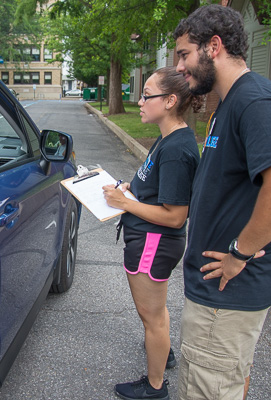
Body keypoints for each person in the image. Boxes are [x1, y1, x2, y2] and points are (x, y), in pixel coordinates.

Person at [172, 5, 271, 399]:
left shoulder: (255, 100)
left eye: (184, 54)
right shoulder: (227, 103)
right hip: (217, 296)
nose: (179, 67)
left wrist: (239, 252)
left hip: (227, 294)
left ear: (213, 47)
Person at [102, 66, 202, 400]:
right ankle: (164, 352)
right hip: (150, 240)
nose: (140, 101)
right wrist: (135, 190)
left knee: (152, 317)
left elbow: (175, 216)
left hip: (153, 244)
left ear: (171, 100)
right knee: (156, 312)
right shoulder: (169, 137)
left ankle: (155, 387)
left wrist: (125, 204)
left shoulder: (176, 149)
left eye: (147, 95)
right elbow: (158, 188)